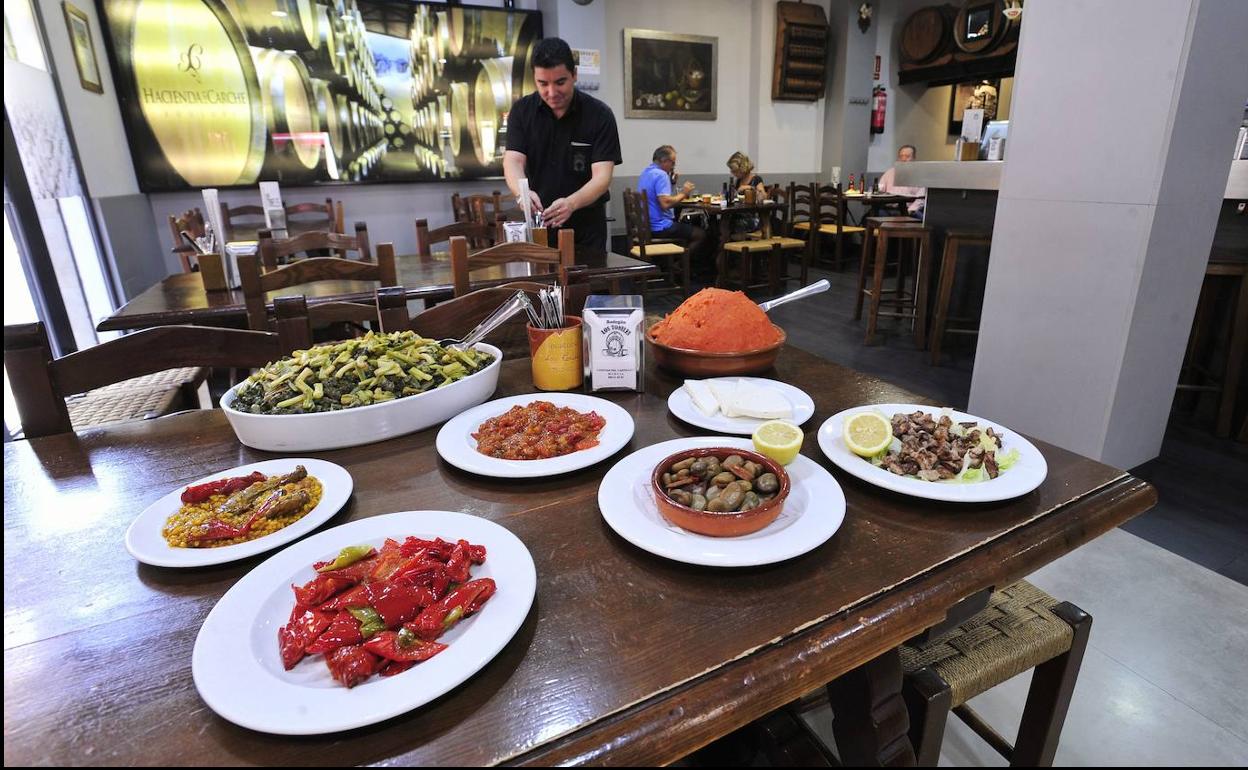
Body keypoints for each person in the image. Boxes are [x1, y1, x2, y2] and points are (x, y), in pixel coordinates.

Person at [503, 37, 622, 253]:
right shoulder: (522, 112)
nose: (551, 92)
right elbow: (513, 161)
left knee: (588, 275)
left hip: (586, 228)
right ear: (534, 78)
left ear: (574, 74)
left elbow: (602, 177)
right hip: (539, 224)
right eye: (543, 84)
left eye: (560, 82)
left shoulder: (599, 115)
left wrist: (571, 203)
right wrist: (522, 193)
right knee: (539, 275)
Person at [637, 145, 707, 263]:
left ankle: (673, 263)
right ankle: (680, 264)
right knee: (700, 234)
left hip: (646, 225)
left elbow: (659, 197)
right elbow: (665, 204)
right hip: (660, 226)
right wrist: (684, 193)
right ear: (664, 160)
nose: (673, 166)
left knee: (683, 226)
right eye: (673, 163)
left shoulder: (646, 172)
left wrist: (672, 183)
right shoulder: (661, 174)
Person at [877, 144, 926, 218]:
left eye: (907, 156)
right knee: (872, 215)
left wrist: (910, 211)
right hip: (888, 209)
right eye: (901, 156)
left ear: (914, 158)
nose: (903, 159)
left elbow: (921, 198)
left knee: (920, 218)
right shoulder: (890, 172)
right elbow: (879, 190)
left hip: (907, 210)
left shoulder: (919, 176)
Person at [726, 151, 766, 236]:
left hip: (751, 217)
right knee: (720, 222)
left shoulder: (756, 179)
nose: (733, 173)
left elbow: (763, 196)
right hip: (738, 214)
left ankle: (726, 242)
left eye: (735, 171)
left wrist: (750, 187)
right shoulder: (739, 180)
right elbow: (735, 197)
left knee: (725, 224)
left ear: (742, 168)